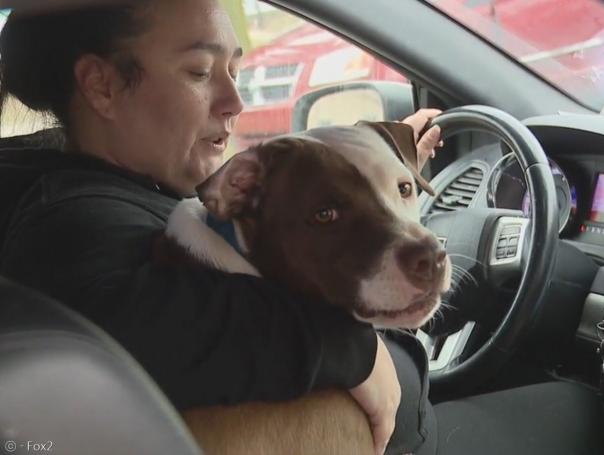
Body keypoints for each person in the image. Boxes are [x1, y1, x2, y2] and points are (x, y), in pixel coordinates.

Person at [0, 1, 442, 454]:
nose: (235, 102)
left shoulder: (125, 186)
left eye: (233, 69)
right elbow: (126, 328)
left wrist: (371, 176)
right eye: (199, 71)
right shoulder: (72, 221)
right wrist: (350, 348)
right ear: (102, 86)